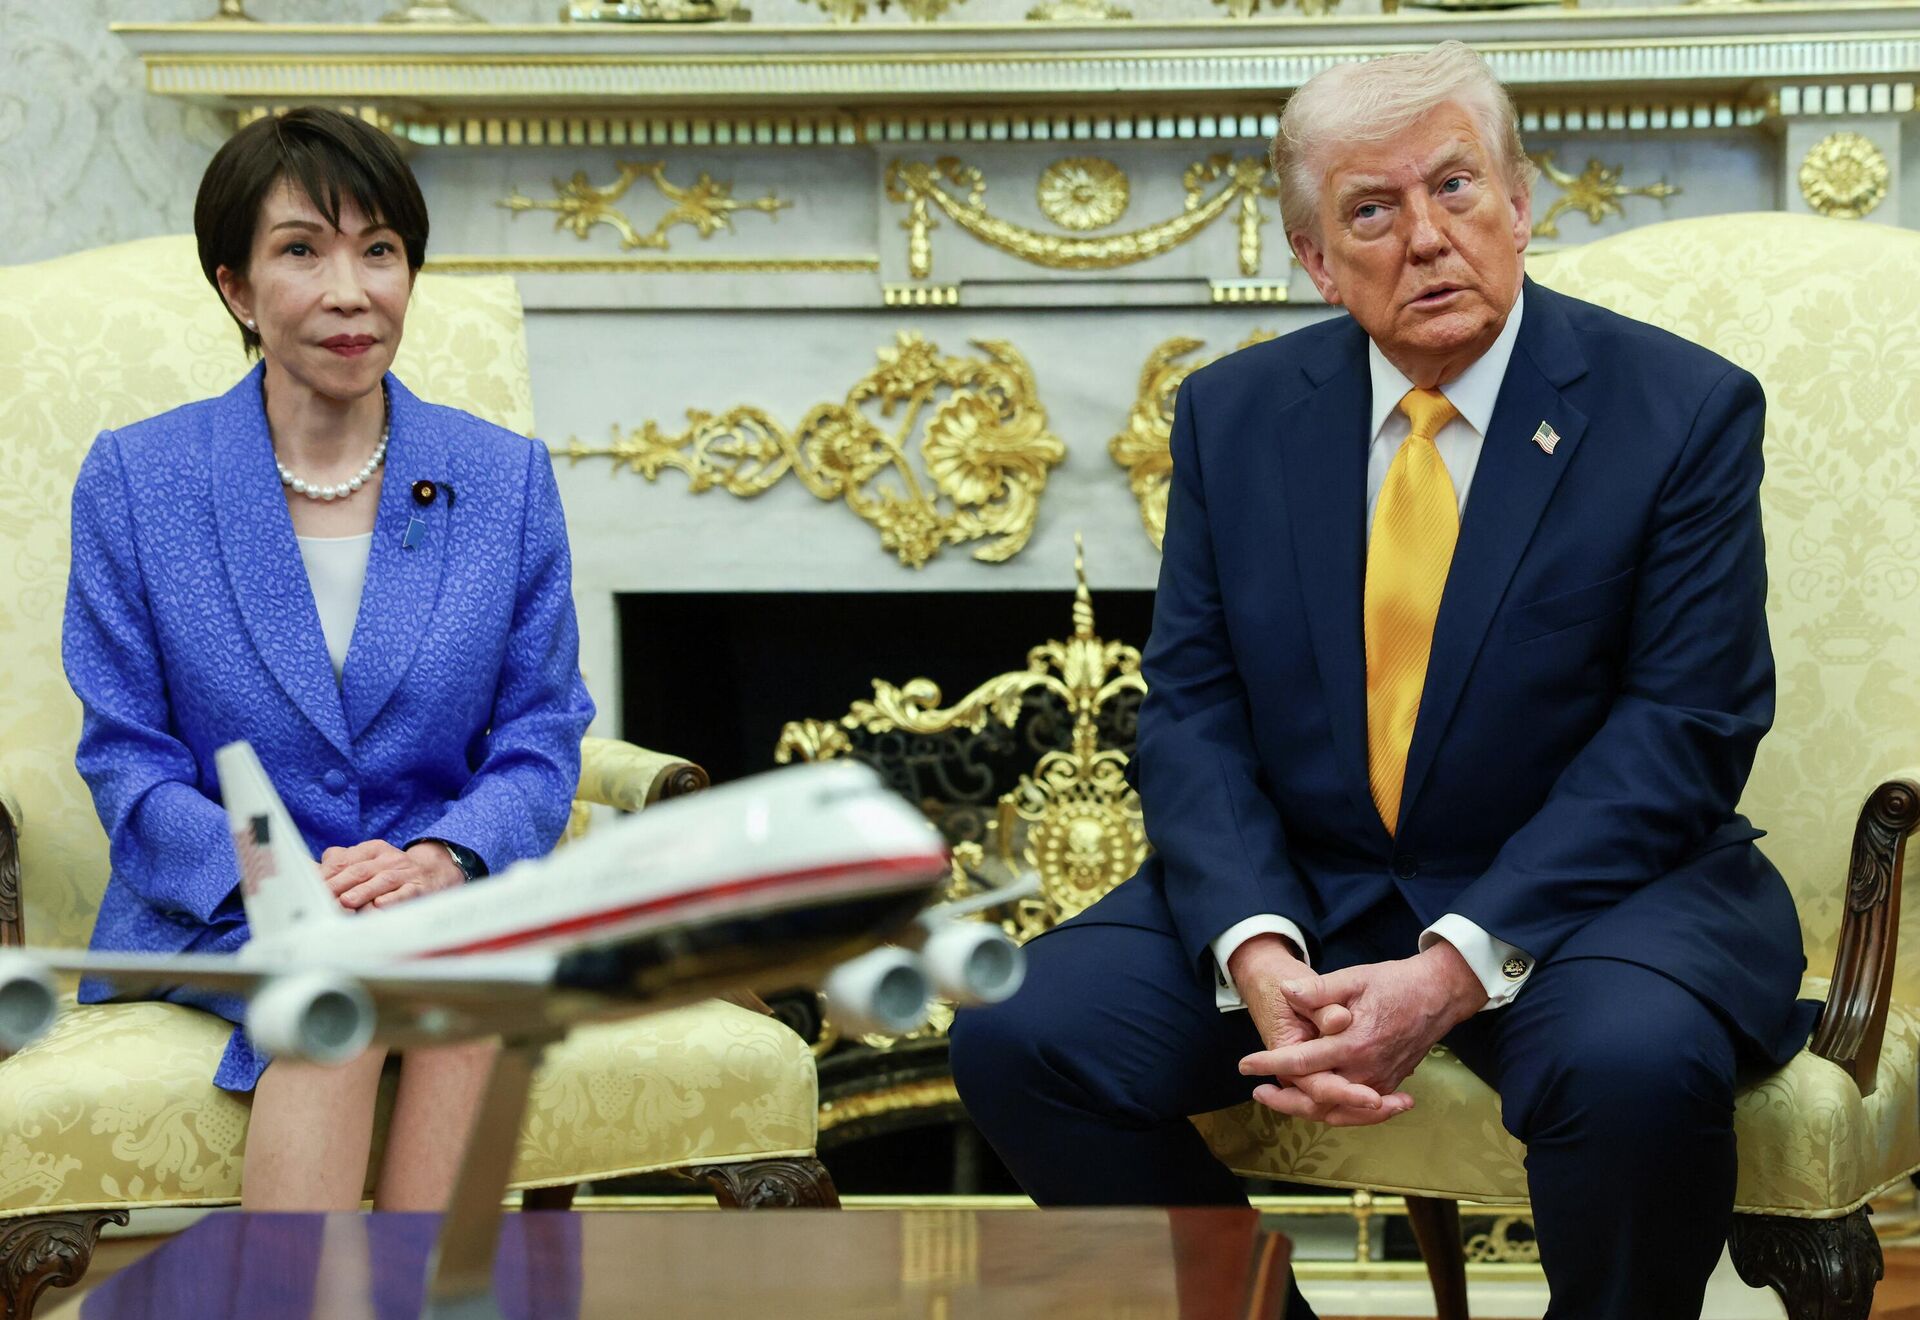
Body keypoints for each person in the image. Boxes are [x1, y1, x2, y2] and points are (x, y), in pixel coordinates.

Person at [950, 41, 1816, 1319]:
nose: (1426, 237)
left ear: (1519, 201)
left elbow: (1685, 726)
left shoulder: (1679, 409)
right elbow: (1193, 709)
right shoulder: (1235, 415)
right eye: (1372, 210)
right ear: (1315, 259)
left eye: (1455, 187)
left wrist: (1455, 965)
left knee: (1632, 1068)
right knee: (1022, 1034)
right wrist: (1255, 945)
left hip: (1596, 897)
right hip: (1315, 879)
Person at [63, 107, 596, 1211]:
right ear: (236, 288)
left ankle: (398, 1289)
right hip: (223, 901)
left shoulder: (502, 480)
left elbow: (542, 735)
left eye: (379, 250)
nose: (350, 291)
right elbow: (128, 760)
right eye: (303, 250)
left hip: (435, 893)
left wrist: (444, 858)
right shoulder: (139, 480)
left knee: (452, 987)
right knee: (343, 986)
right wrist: (281, 881)